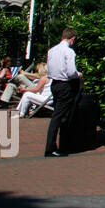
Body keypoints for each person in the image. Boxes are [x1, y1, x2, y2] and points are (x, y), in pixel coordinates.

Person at [44, 28, 82, 157]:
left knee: (60, 115)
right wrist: (78, 75)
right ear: (72, 38)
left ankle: (61, 145)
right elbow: (71, 72)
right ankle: (51, 147)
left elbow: (49, 70)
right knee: (59, 117)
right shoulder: (69, 52)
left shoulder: (52, 51)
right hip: (65, 85)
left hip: (54, 84)